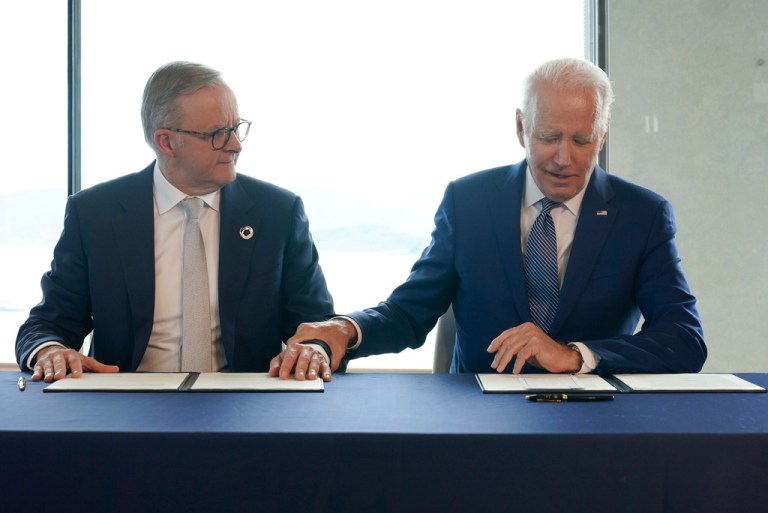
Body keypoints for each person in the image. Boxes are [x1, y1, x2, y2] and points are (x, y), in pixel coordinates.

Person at [271, 57, 706, 380]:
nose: (563, 158)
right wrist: (346, 329)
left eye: (582, 139)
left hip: (595, 417)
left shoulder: (642, 215)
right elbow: (409, 312)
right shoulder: (469, 201)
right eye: (548, 136)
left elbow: (684, 339)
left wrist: (574, 355)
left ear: (603, 134)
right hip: (478, 416)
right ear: (521, 129)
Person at [17, 61, 334, 382]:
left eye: (236, 128)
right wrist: (50, 350)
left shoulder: (277, 212)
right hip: (125, 405)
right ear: (166, 142)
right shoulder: (96, 214)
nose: (236, 145)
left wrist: (314, 347)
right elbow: (49, 323)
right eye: (217, 135)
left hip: (247, 402)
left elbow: (317, 324)